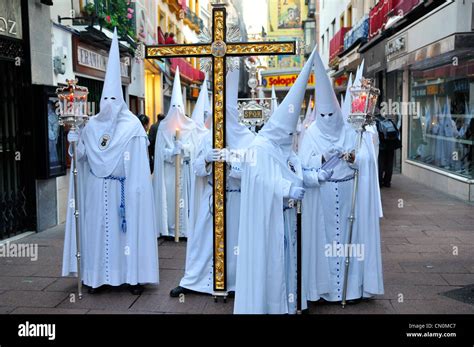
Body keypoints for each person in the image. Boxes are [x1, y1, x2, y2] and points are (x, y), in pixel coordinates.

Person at [62, 28, 159, 295]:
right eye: (106, 99)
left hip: (123, 191)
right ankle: (95, 277)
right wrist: (74, 139)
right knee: (97, 234)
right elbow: (81, 157)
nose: (110, 104)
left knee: (124, 237)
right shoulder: (91, 126)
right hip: (95, 191)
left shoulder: (134, 129)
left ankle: (131, 277)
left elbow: (140, 169)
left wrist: (136, 193)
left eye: (115, 99)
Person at [234, 48, 316, 314]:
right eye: (287, 132)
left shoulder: (284, 149)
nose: (290, 137)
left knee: (287, 261)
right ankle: (267, 306)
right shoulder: (259, 148)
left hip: (286, 217)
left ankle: (288, 305)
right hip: (266, 219)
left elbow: (296, 169)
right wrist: (286, 188)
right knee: (268, 262)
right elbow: (259, 179)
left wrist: (314, 177)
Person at [299, 51, 383, 307]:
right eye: (322, 116)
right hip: (322, 197)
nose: (326, 120)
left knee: (349, 239)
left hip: (349, 195)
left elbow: (367, 161)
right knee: (324, 241)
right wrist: (321, 161)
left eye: (330, 115)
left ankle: (351, 288)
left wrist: (351, 157)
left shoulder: (351, 130)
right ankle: (324, 289)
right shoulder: (311, 133)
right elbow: (301, 166)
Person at [170, 68, 255, 297]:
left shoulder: (250, 139)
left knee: (236, 242)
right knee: (203, 241)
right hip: (212, 197)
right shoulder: (209, 138)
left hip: (236, 198)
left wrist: (234, 162)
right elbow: (197, 169)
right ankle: (195, 281)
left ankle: (235, 282)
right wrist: (208, 159)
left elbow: (255, 170)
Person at [152, 66, 200, 238]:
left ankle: (183, 229)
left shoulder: (191, 127)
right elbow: (159, 153)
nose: (177, 111)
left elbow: (195, 150)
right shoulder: (163, 127)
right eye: (174, 107)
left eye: (180, 107)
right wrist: (172, 151)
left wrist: (184, 149)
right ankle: (169, 229)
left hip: (185, 171)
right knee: (169, 199)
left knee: (184, 201)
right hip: (169, 172)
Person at [376, 111, 401, 188]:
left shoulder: (375, 123)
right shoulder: (389, 121)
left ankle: (379, 183)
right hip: (391, 146)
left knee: (380, 164)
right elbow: (397, 132)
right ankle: (387, 182)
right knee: (389, 164)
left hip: (381, 147)